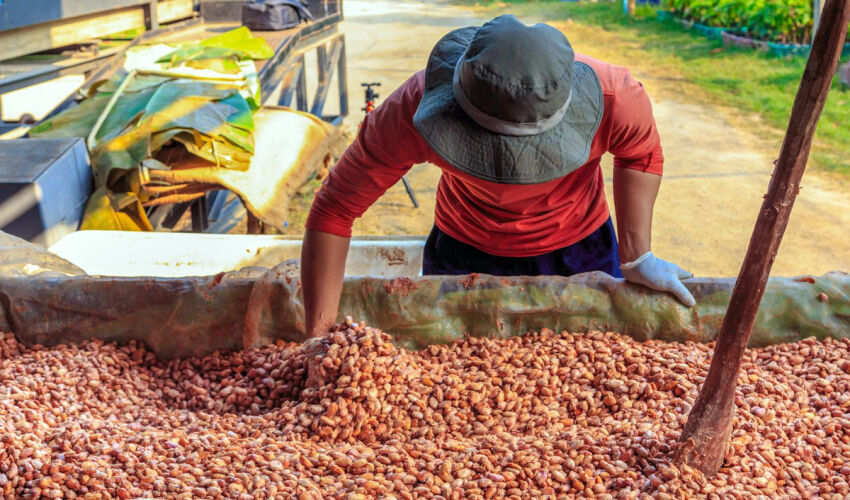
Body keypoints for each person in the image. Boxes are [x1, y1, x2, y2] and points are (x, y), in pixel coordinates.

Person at [301, 15, 695, 337]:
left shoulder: (617, 97)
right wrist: (317, 337)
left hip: (579, 248)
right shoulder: (412, 109)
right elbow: (334, 210)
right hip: (463, 249)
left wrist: (636, 254)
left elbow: (640, 154)